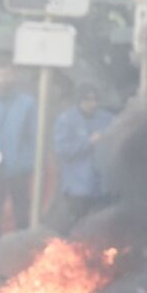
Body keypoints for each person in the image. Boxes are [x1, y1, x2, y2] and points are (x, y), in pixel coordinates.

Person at [0, 60, 37, 247]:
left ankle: (23, 254)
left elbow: (34, 135)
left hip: (18, 169)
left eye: (8, 74)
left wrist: (27, 162)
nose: (4, 79)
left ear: (15, 76)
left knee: (22, 214)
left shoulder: (27, 104)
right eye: (1, 75)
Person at [51, 84, 115, 234]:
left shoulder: (108, 119)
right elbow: (63, 151)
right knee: (77, 229)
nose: (93, 104)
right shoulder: (66, 120)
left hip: (101, 188)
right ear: (78, 101)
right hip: (77, 189)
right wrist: (88, 143)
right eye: (88, 100)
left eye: (95, 100)